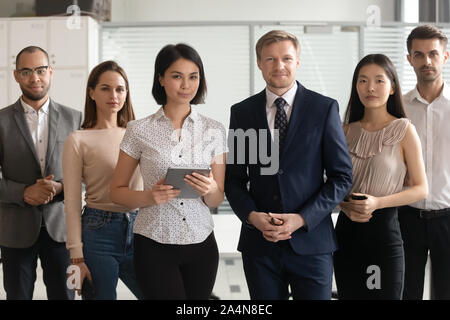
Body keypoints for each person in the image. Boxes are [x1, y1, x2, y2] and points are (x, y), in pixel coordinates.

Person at [224, 30, 353, 300]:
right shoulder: (243, 113)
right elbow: (234, 179)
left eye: (286, 58)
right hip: (260, 245)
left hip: (312, 243)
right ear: (259, 63)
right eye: (270, 59)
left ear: (298, 61)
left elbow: (341, 177)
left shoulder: (324, 108)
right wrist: (252, 217)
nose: (279, 66)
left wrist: (303, 218)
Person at [110, 43, 227, 300]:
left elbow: (217, 199)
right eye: (177, 76)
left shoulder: (214, 130)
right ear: (161, 78)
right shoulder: (138, 130)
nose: (186, 85)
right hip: (154, 244)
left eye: (193, 76)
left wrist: (210, 189)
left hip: (201, 243)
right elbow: (117, 192)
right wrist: (149, 197)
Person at [333, 54, 428, 300]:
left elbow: (421, 189)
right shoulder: (343, 131)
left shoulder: (404, 129)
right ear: (356, 86)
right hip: (346, 233)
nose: (370, 87)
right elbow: (331, 184)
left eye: (379, 80)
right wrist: (344, 205)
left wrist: (377, 203)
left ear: (393, 86)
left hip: (383, 234)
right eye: (363, 81)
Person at [0, 46, 81, 300]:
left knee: (65, 296)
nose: (34, 77)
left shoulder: (75, 118)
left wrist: (59, 188)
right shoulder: (1, 121)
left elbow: (86, 175)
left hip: (62, 231)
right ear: (16, 76)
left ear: (50, 72)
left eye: (40, 70)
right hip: (15, 230)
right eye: (26, 71)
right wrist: (24, 192)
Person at [63, 61, 144, 300]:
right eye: (105, 88)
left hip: (141, 229)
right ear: (91, 92)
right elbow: (71, 202)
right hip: (98, 232)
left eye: (120, 89)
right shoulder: (78, 140)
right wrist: (76, 257)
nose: (114, 95)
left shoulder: (138, 133)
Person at [399, 25, 450, 300]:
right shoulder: (398, 109)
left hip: (448, 216)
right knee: (406, 293)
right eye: (419, 54)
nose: (426, 61)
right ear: (409, 59)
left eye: (433, 53)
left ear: (446, 56)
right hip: (407, 217)